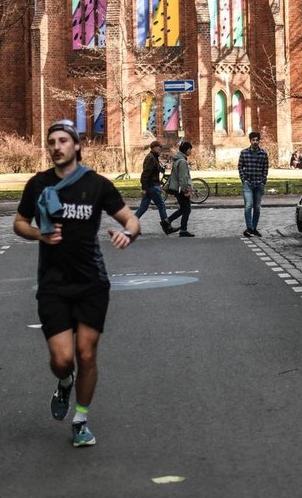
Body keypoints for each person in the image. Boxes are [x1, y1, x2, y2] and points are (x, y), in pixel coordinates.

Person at [13, 121, 139, 448]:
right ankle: (64, 382)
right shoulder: (38, 184)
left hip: (91, 282)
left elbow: (130, 219)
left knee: (86, 352)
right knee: (62, 359)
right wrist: (38, 234)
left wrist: (128, 234)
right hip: (52, 284)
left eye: (63, 140)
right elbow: (19, 223)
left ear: (76, 146)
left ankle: (81, 419)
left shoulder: (97, 184)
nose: (57, 146)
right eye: (51, 141)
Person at [134, 141, 173, 234]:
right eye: (159, 148)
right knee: (161, 205)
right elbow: (145, 174)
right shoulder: (151, 158)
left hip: (151, 186)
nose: (160, 150)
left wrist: (164, 167)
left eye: (160, 148)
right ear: (154, 148)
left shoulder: (154, 157)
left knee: (143, 207)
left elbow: (158, 169)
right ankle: (166, 227)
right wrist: (144, 188)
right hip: (152, 186)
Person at [237, 131, 269, 238]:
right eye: (253, 140)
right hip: (248, 183)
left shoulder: (263, 153)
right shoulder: (244, 153)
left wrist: (263, 180)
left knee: (257, 207)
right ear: (250, 141)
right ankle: (249, 227)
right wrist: (243, 179)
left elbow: (265, 168)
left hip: (259, 183)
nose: (255, 142)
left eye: (257, 140)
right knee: (248, 205)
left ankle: (254, 228)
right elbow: (240, 166)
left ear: (259, 141)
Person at [166, 141, 195, 237]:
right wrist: (186, 190)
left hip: (177, 188)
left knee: (184, 208)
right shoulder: (182, 162)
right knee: (187, 209)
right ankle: (183, 230)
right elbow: (183, 178)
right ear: (186, 150)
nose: (191, 151)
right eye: (190, 149)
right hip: (181, 190)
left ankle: (167, 221)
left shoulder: (178, 160)